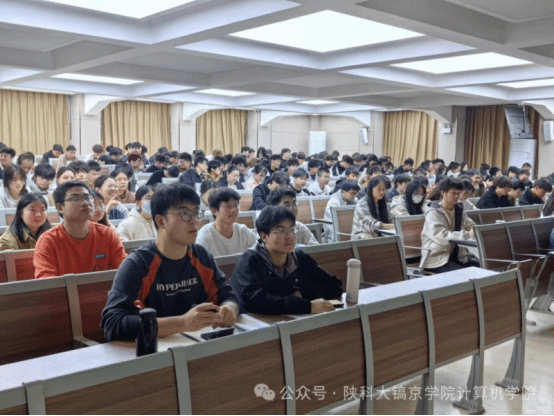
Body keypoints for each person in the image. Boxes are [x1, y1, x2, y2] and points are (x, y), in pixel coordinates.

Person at [101, 184, 239, 341]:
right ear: (160, 221)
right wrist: (182, 323)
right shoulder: (138, 264)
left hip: (200, 345)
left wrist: (229, 309)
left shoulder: (201, 256)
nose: (195, 222)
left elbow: (228, 296)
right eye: (185, 214)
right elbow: (113, 323)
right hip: (154, 350)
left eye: (196, 214)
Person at [229, 206, 342, 315]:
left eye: (292, 230)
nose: (289, 236)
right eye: (281, 231)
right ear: (264, 237)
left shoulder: (300, 258)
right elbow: (256, 302)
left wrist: (302, 293)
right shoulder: (250, 261)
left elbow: (335, 286)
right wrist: (306, 306)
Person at [34, 181, 127, 279]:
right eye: (76, 198)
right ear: (60, 208)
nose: (85, 203)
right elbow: (46, 280)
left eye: (87, 197)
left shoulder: (107, 234)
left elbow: (126, 270)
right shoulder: (48, 241)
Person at [420, 178, 477, 274]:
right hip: (437, 258)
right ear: (443, 192)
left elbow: (470, 224)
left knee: (482, 268)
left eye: (459, 193)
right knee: (463, 274)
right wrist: (467, 235)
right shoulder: (434, 211)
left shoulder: (459, 209)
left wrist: (475, 230)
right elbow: (441, 236)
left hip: (457, 256)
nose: (456, 196)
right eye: (453, 193)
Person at [196, 188, 258, 257]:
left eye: (235, 205)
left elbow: (261, 251)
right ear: (214, 211)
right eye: (228, 206)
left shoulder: (243, 231)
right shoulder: (205, 235)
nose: (234, 210)